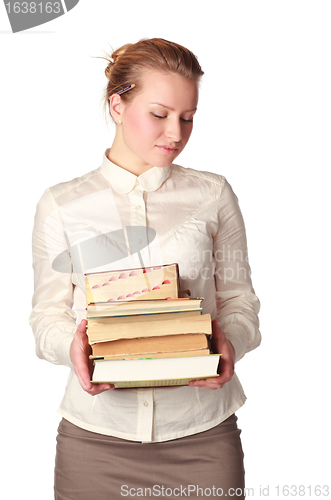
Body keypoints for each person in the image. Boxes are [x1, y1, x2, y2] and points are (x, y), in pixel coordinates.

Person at [29, 38, 261, 499]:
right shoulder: (62, 204)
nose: (175, 132)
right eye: (159, 114)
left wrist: (229, 342)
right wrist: (69, 348)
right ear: (117, 105)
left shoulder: (213, 194)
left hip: (203, 435)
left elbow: (240, 300)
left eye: (188, 117)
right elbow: (46, 317)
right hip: (94, 441)